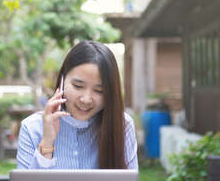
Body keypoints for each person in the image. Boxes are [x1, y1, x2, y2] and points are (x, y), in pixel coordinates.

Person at [17, 40, 138, 169]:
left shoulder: (122, 125)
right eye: (78, 86)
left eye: (99, 91)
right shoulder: (32, 128)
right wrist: (47, 143)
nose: (86, 99)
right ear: (62, 80)